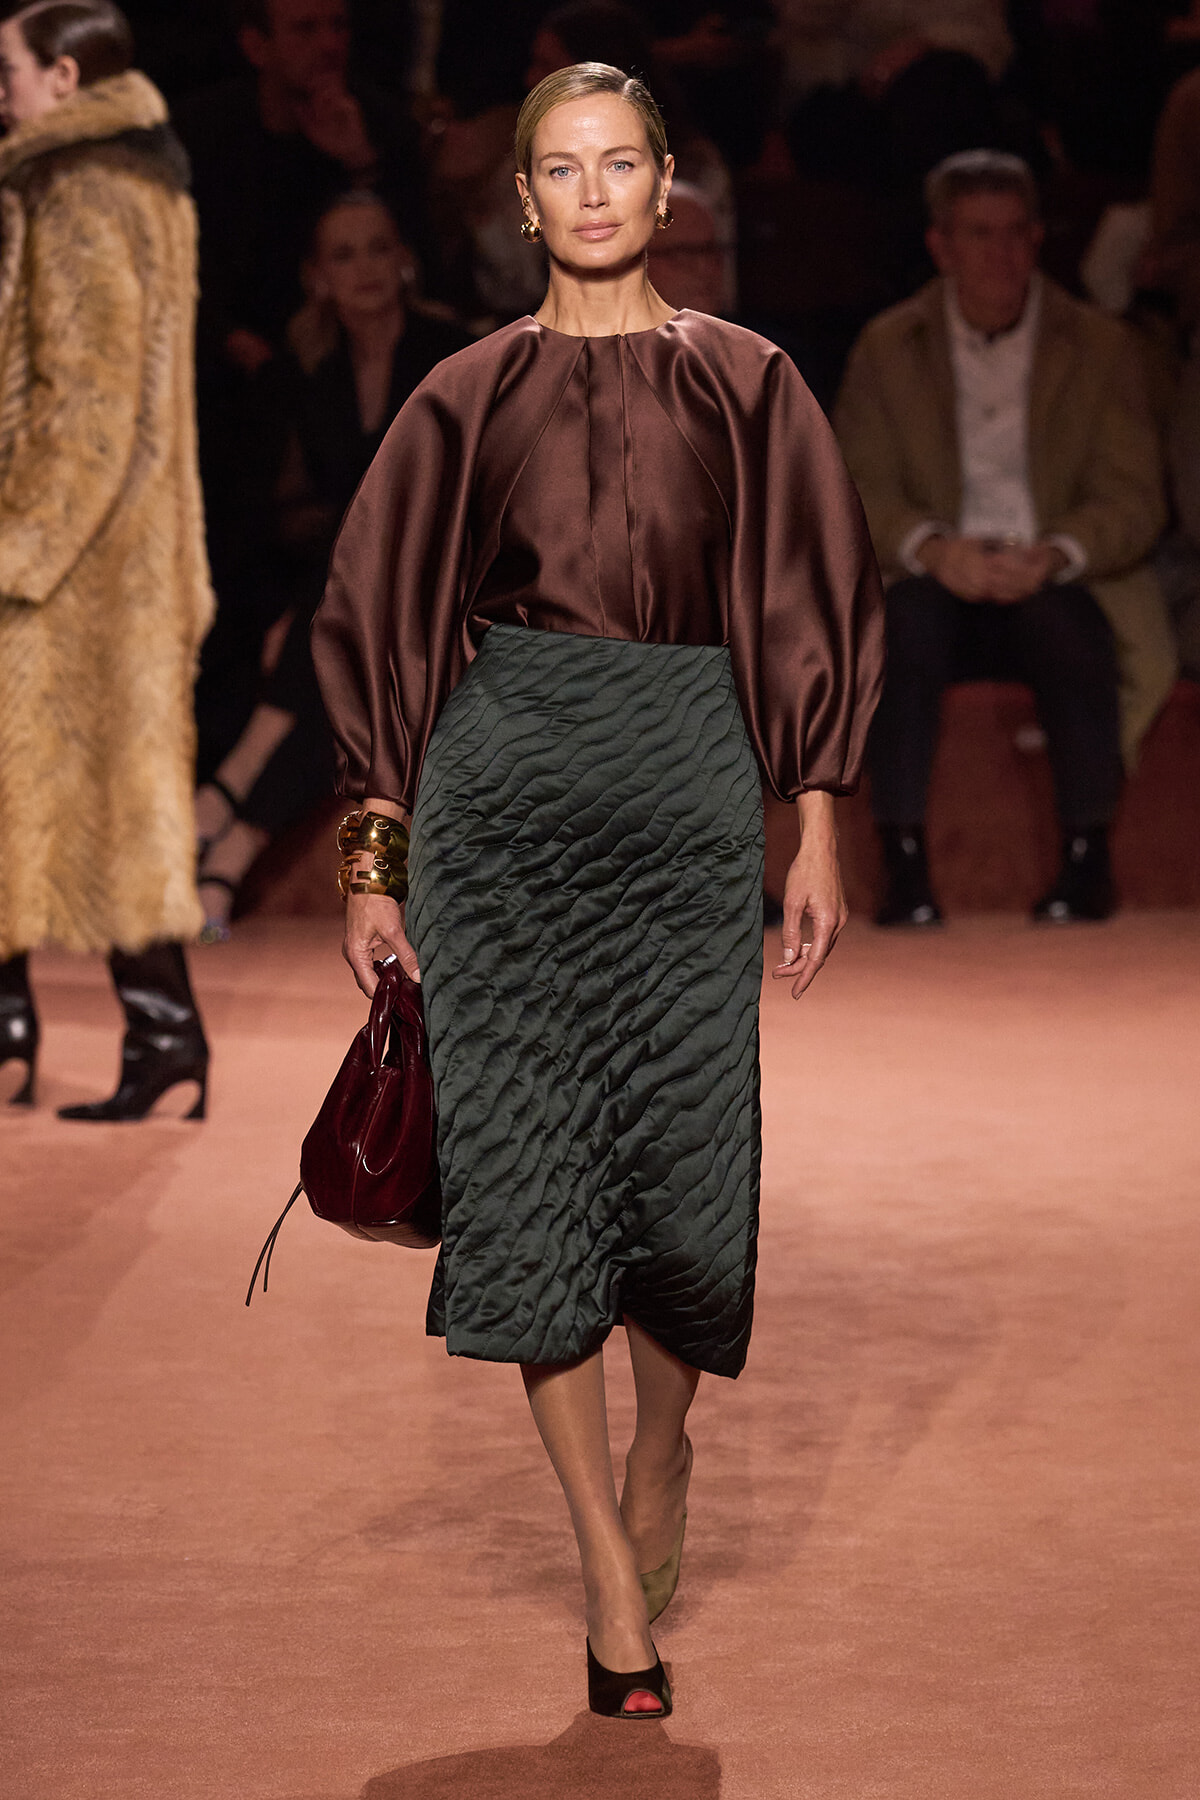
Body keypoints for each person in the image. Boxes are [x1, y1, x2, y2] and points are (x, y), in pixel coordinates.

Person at [312, 62, 882, 1718]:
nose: (594, 193)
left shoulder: (751, 385)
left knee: (693, 1187)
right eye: (560, 169)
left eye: (620, 163)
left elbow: (807, 602)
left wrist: (820, 825)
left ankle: (663, 1455)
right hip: (504, 810)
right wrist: (376, 860)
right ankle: (605, 1571)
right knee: (535, 1185)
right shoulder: (465, 397)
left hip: (690, 792)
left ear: (665, 182)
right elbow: (384, 620)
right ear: (522, 203)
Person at [835, 150, 1172, 926]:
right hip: (932, 569)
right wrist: (932, 547)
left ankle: (1089, 858)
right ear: (941, 247)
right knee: (900, 629)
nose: (1002, 254)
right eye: (980, 236)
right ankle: (905, 863)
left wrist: (1056, 551)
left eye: (1017, 234)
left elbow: (1134, 495)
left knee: (1073, 633)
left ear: (1039, 239)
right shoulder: (890, 348)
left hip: (1055, 568)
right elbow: (857, 486)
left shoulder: (1099, 345)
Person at [0, 0, 213, 1120]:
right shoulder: (132, 181)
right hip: (123, 554)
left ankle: (146, 1038)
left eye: (12, 70)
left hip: (75, 560)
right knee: (89, 799)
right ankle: (111, 1037)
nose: (2, 90)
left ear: (65, 77)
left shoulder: (81, 191)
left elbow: (86, 411)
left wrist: (16, 550)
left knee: (101, 802)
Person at [194, 192, 470, 938]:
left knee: (350, 614)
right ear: (318, 275)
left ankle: (225, 802)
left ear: (405, 258)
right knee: (346, 670)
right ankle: (227, 856)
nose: (366, 269)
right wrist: (297, 611)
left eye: (378, 248)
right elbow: (319, 519)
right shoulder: (309, 374)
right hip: (362, 607)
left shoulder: (450, 352)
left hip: (452, 585)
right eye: (344, 255)